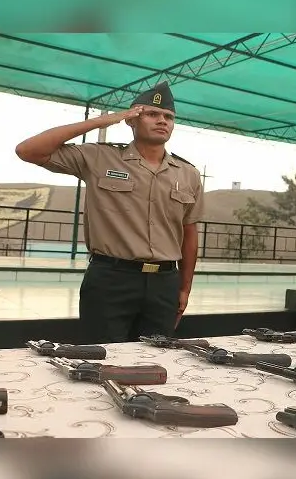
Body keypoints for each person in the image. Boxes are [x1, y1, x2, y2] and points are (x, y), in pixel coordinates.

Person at [15, 82, 203, 342]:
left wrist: (184, 288)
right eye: (152, 114)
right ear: (132, 120)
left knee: (157, 363)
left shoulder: (188, 174)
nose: (163, 121)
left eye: (168, 117)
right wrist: (105, 120)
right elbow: (28, 150)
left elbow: (189, 233)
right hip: (111, 280)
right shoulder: (99, 158)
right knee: (103, 358)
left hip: (164, 283)